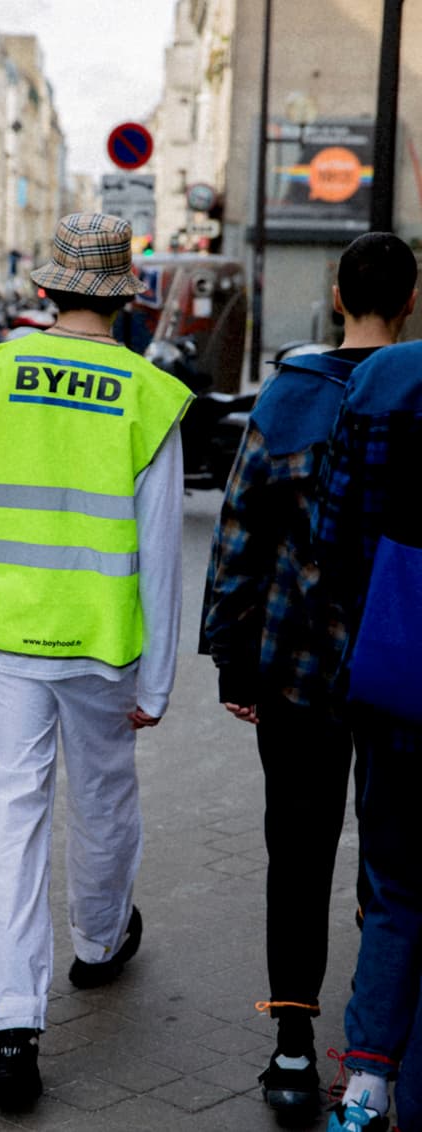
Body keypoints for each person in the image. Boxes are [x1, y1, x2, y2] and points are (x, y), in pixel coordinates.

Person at [0, 212, 193, 1109]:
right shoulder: (148, 394)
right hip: (102, 641)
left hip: (11, 637)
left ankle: (11, 1029)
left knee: (9, 815)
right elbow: (160, 551)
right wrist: (158, 679)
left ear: (46, 290)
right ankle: (98, 941)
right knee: (105, 793)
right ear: (127, 296)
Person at [201, 232, 418, 1116]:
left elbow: (241, 530)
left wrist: (230, 656)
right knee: (393, 859)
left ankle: (292, 1049)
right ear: (408, 301)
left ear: (337, 296)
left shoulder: (290, 395)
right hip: (400, 664)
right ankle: (376, 1043)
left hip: (296, 662)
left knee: (296, 849)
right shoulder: (412, 393)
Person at [315, 336, 422, 1132]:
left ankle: (366, 1088)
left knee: (395, 887)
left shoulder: (385, 378)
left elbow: (332, 529)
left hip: (395, 666)